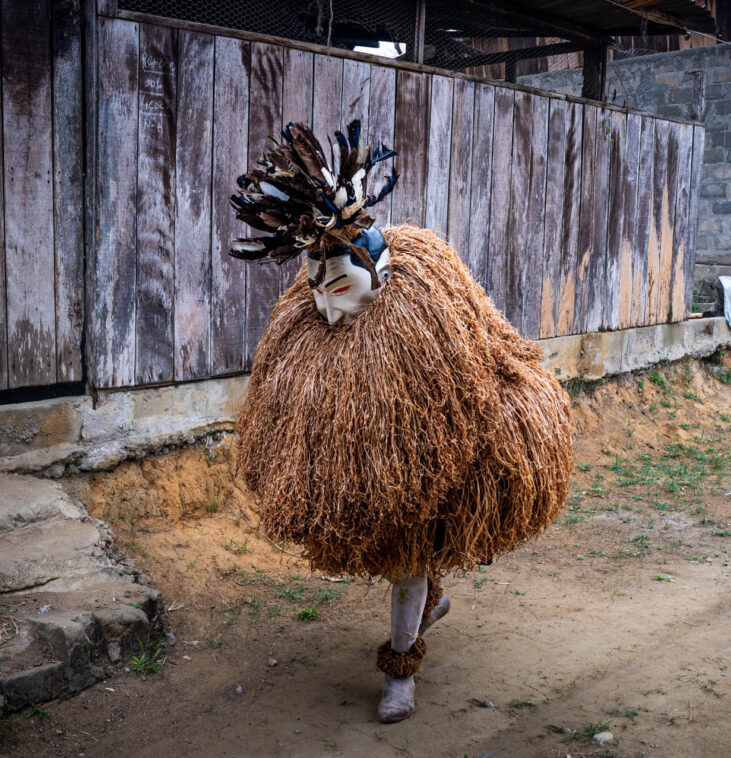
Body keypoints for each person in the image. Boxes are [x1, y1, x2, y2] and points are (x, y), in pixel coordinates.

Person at [229, 121, 574, 723]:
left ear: (378, 272)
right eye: (314, 287)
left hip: (447, 466)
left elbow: (479, 377)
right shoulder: (305, 335)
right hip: (370, 476)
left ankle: (400, 667)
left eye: (338, 285)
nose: (325, 305)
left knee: (412, 554)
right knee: (403, 560)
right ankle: (424, 599)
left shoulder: (425, 313)